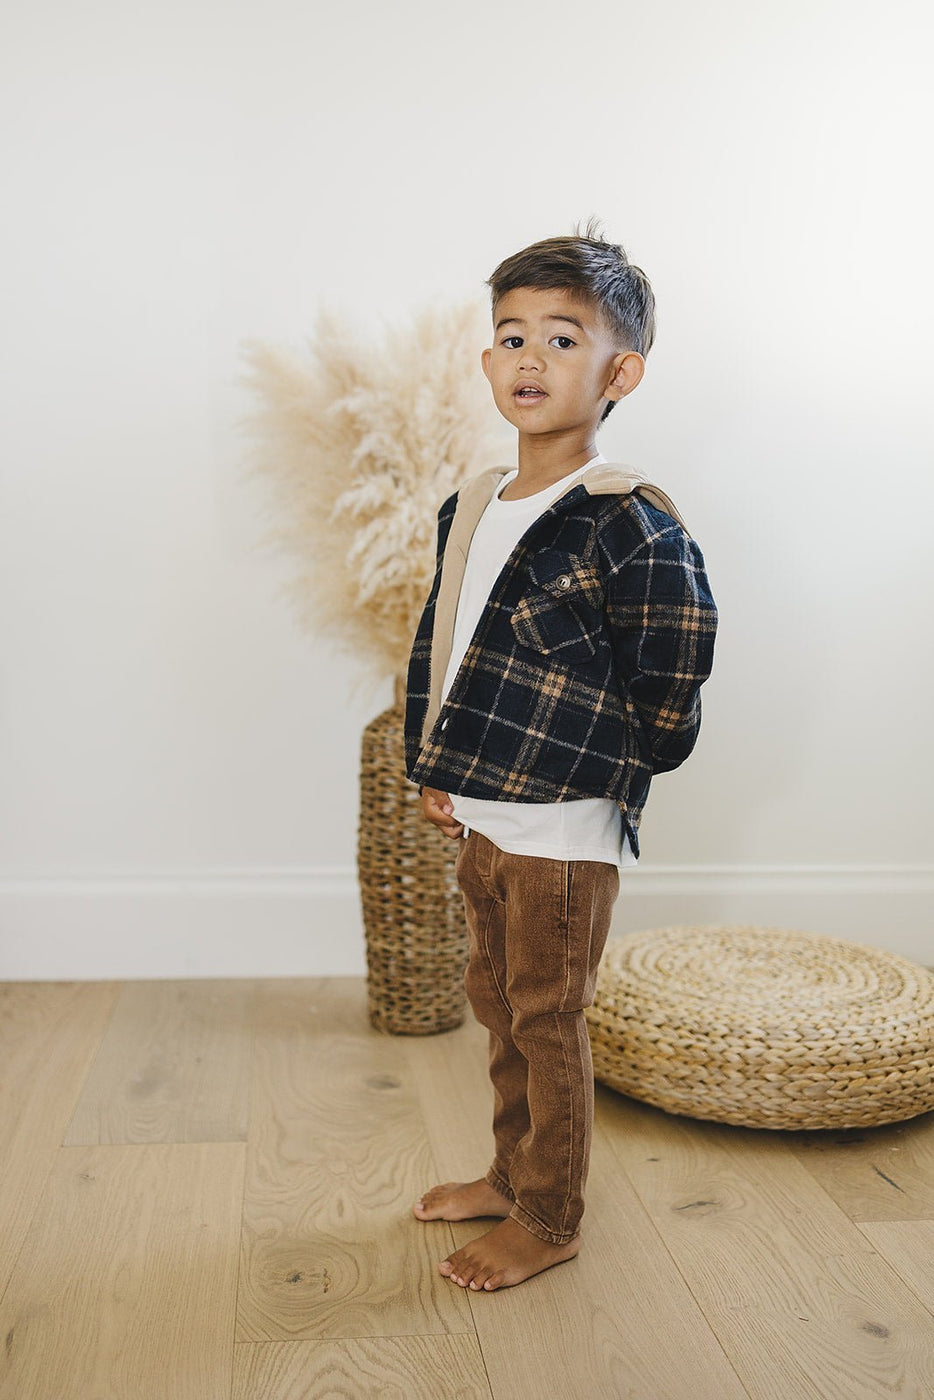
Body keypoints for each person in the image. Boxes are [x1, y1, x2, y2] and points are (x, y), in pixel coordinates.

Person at [402, 220, 718, 1292]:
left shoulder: (624, 522)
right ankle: (508, 1167)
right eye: (511, 335)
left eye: (563, 338)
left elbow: (672, 662)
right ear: (489, 362)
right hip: (485, 813)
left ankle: (551, 1210)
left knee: (548, 1017)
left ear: (619, 370)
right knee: (498, 1005)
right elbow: (445, 646)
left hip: (563, 831)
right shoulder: (476, 505)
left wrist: (622, 763)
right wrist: (439, 763)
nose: (530, 358)